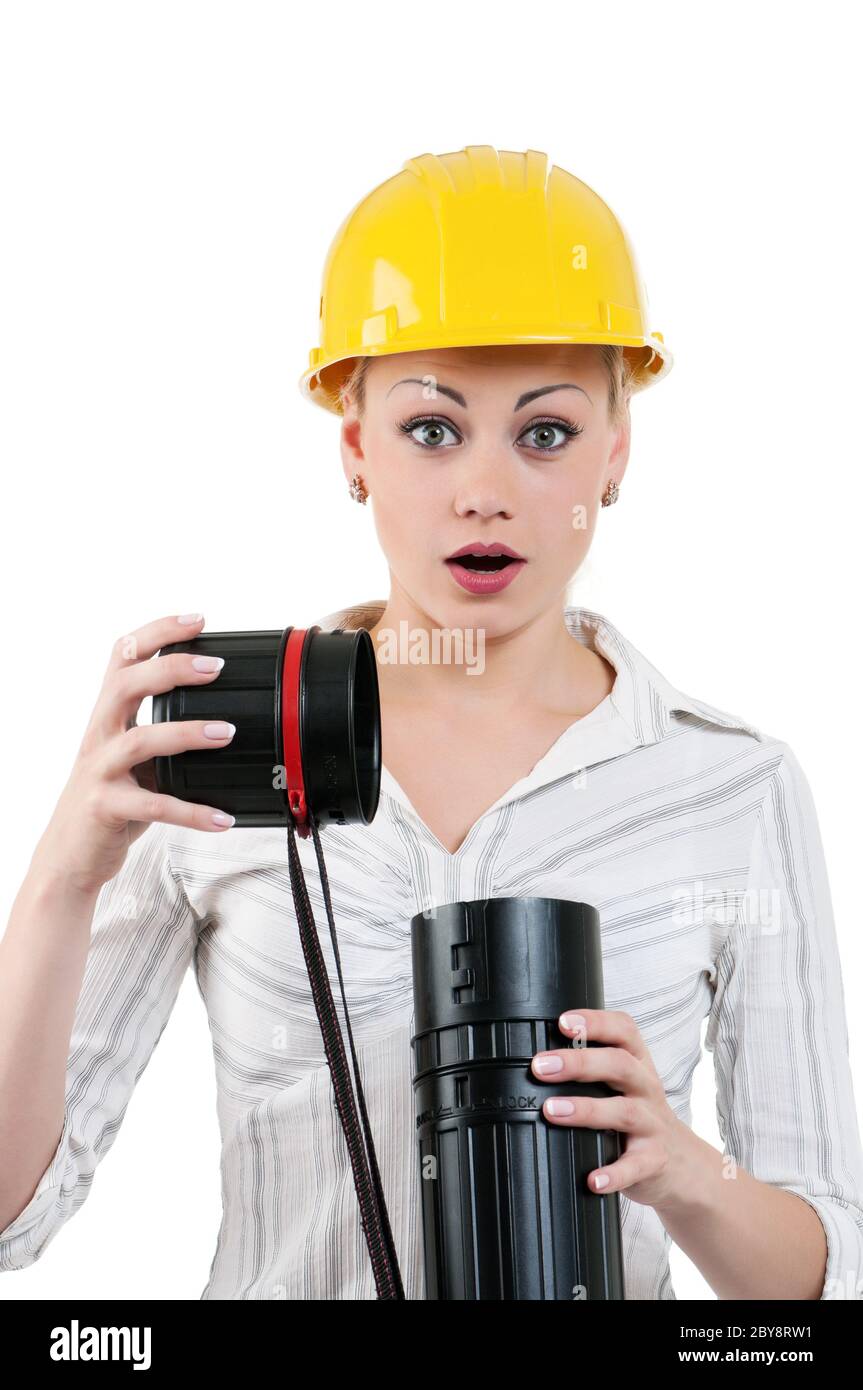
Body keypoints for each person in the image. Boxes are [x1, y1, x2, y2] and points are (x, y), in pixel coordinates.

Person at [1, 146, 862, 1301]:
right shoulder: (217, 759)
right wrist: (65, 868)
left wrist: (683, 1169)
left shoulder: (731, 789)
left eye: (545, 432)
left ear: (616, 451)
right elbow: (13, 1219)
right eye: (431, 429)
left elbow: (821, 1287)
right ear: (354, 446)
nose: (484, 490)